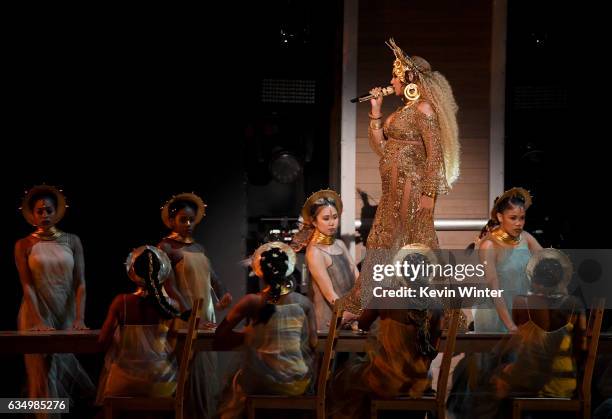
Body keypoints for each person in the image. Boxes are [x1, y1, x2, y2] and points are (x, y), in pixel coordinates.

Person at [346, 38, 460, 314]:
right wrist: (375, 113)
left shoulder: (424, 109)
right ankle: (365, 303)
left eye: (395, 76)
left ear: (409, 78)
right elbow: (382, 148)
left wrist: (429, 195)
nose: (391, 82)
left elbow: (434, 154)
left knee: (414, 242)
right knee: (381, 241)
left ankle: (439, 309)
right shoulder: (402, 112)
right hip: (392, 191)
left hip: (412, 188)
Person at [467, 249, 587, 419]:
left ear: (535, 280)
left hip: (539, 384)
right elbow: (582, 350)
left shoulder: (524, 302)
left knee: (485, 386)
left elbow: (521, 345)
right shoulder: (575, 305)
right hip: (567, 385)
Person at [331, 244, 443, 419]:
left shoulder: (384, 295)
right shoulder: (436, 304)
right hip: (419, 382)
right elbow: (433, 349)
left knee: (345, 378)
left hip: (386, 381)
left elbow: (363, 325)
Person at [15, 185, 94, 416]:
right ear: (32, 213)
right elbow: (27, 285)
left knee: (66, 374)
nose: (44, 215)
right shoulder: (24, 244)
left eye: (48, 210)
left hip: (66, 312)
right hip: (35, 312)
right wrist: (38, 320)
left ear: (56, 211)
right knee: (44, 378)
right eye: (39, 211)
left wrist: (79, 317)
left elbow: (80, 283)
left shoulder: (72, 240)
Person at [215, 242, 317, 419]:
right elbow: (313, 343)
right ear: (288, 270)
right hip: (298, 381)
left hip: (264, 380)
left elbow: (220, 334)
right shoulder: (305, 303)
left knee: (236, 381)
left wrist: (249, 336)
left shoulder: (251, 302)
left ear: (260, 273)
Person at [158, 192, 232, 418]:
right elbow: (169, 286)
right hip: (184, 315)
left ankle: (205, 412)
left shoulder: (199, 247)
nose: (188, 224)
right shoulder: (167, 246)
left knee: (206, 365)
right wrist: (188, 314)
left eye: (191, 220)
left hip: (205, 314)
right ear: (172, 220)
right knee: (187, 368)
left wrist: (223, 294)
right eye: (183, 219)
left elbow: (213, 276)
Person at [97, 245, 182, 403]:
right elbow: (174, 345)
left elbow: (102, 341)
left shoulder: (120, 302)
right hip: (162, 382)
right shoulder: (172, 305)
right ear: (161, 273)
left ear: (133, 272)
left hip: (125, 382)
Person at [475, 187, 543, 332]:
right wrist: (511, 326)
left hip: (522, 313)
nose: (518, 223)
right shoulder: (489, 246)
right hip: (497, 316)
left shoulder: (526, 238)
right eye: (513, 218)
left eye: (522, 218)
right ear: (500, 217)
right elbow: (494, 289)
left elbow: (547, 262)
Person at [294, 189, 358, 330]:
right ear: (314, 222)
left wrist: (358, 308)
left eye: (335, 217)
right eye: (326, 218)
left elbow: (356, 275)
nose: (332, 223)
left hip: (350, 317)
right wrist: (347, 313)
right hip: (327, 322)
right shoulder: (315, 252)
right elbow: (329, 293)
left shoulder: (340, 244)